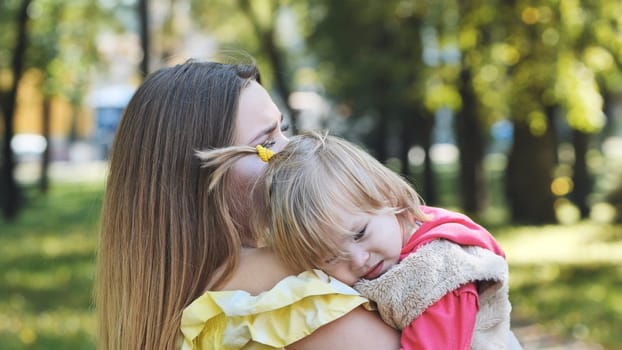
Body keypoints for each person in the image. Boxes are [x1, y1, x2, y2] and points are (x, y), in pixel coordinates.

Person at [95, 60, 400, 350]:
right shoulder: (287, 297)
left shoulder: (165, 301)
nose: (292, 151)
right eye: (266, 144)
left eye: (285, 130)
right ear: (196, 183)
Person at [198, 131, 523, 349]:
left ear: (386, 195)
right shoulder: (392, 250)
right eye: (330, 258)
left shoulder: (439, 273)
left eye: (359, 234)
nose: (357, 259)